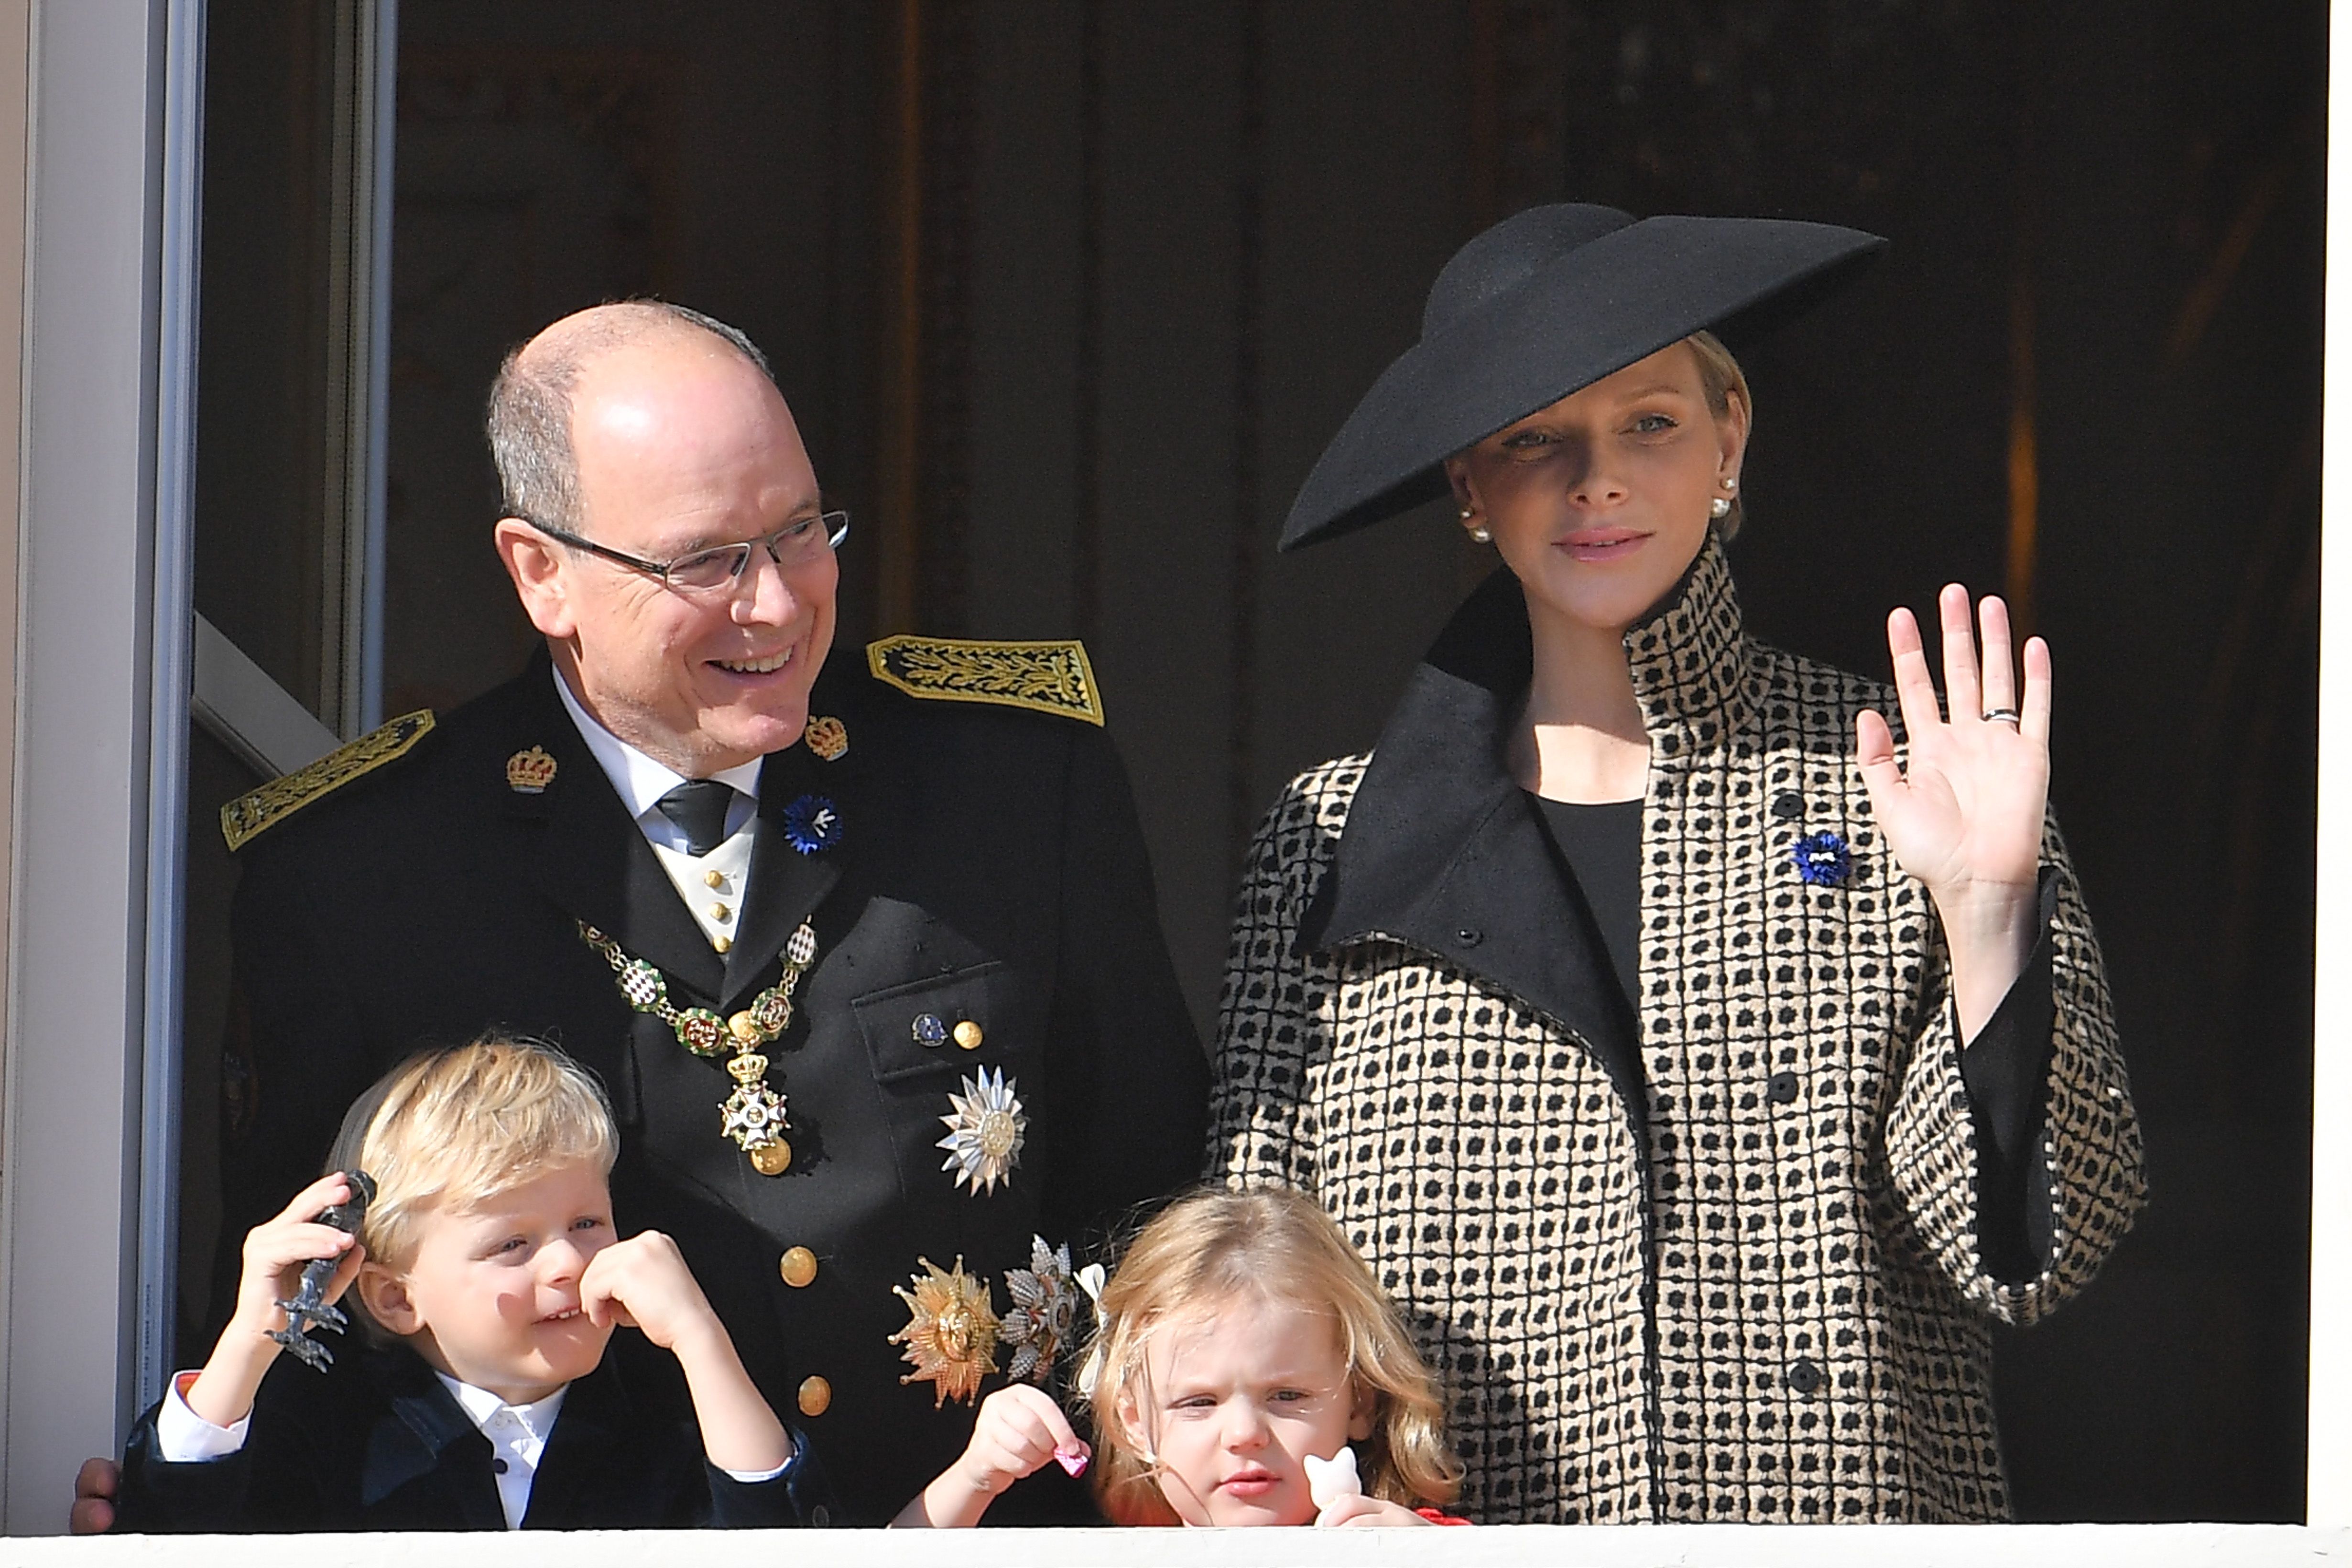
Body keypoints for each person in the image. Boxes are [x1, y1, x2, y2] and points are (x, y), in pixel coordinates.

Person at [74, 300, 1207, 1530]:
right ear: (540, 571)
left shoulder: (1014, 785)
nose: (774, 605)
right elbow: (311, 1313)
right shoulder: (359, 871)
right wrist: (187, 1494)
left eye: (798, 533)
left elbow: (1155, 1215)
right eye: (705, 560)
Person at [1210, 205, 2145, 1524]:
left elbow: (2035, 1263)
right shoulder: (1330, 843)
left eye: (1649, 421)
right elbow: (1240, 1305)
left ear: (1731, 436)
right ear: (1469, 484)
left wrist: (1991, 918)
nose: (1598, 480)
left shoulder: (1910, 776)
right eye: (1536, 438)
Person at [117, 1035, 817, 1532]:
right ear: (395, 1298)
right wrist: (251, 1340)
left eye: (586, 1222)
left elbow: (775, 1541)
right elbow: (170, 1533)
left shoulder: (657, 1418)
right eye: (513, 1244)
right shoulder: (331, 1429)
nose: (567, 1263)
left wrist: (701, 1339)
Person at [893, 1187, 1467, 1528]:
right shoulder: (1120, 1553)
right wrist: (975, 1479)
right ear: (1136, 1421)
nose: (1244, 1433)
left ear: (1359, 1401)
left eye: (1287, 1396)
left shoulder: (1411, 1543)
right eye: (1198, 1402)